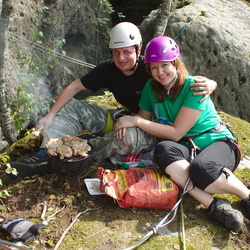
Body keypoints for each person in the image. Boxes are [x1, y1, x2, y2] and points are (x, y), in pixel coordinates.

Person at [10, 22, 217, 178]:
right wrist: (50, 115)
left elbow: (180, 79)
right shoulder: (108, 69)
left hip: (154, 130)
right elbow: (75, 86)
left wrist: (211, 83)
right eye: (116, 53)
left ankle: (81, 155)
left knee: (126, 137)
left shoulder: (152, 68)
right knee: (74, 107)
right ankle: (46, 154)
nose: (121, 58)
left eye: (127, 52)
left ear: (138, 50)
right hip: (129, 118)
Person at [113, 36, 250, 233]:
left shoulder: (194, 87)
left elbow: (176, 132)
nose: (160, 72)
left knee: (201, 169)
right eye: (154, 67)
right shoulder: (151, 89)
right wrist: (128, 122)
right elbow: (144, 119)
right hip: (188, 148)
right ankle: (214, 205)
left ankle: (246, 196)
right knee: (163, 150)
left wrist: (137, 121)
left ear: (176, 63)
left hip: (217, 142)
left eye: (165, 65)